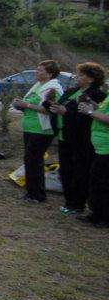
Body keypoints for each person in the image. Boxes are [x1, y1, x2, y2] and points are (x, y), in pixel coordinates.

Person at [51, 62, 106, 215]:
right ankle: (69, 201)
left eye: (81, 75)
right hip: (64, 135)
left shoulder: (98, 95)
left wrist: (65, 112)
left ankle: (78, 204)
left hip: (82, 139)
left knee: (80, 171)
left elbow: (89, 117)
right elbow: (62, 106)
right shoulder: (71, 90)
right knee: (66, 170)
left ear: (91, 79)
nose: (77, 77)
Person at [11, 60, 63, 204]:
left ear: (50, 73)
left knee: (34, 160)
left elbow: (49, 109)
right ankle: (31, 191)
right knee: (29, 160)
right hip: (30, 127)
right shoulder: (38, 85)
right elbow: (31, 103)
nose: (37, 72)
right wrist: (21, 105)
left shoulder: (53, 88)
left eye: (40, 70)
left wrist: (26, 104)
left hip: (42, 129)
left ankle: (38, 194)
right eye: (37, 69)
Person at [78, 94, 109, 227]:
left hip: (107, 149)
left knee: (105, 184)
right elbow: (102, 110)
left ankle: (105, 218)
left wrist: (90, 112)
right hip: (100, 148)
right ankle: (95, 213)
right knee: (96, 182)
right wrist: (91, 102)